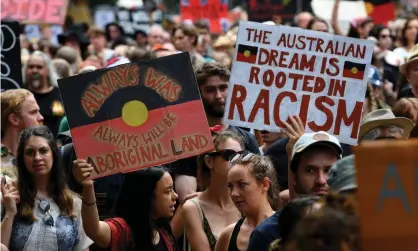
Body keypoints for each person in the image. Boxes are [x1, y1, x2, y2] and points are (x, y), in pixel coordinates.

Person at [170, 63, 259, 203]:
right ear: (198, 93)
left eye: (223, 88)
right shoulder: (187, 139)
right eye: (210, 90)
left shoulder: (247, 138)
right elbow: (187, 195)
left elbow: (261, 184)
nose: (218, 96)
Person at [247, 123, 343, 251]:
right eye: (310, 170)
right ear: (295, 177)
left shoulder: (355, 229)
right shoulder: (268, 234)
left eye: (329, 170)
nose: (321, 180)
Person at [0, 125, 92, 250]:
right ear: (22, 158)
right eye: (30, 152)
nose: (37, 158)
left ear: (53, 155)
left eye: (43, 151)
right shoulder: (9, 197)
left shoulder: (73, 202)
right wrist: (10, 213)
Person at [73, 165, 178, 251]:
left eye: (173, 189)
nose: (175, 196)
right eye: (168, 191)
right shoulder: (123, 231)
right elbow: (94, 229)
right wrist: (88, 187)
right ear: (147, 196)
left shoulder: (163, 231)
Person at [182, 131, 243, 251]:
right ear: (209, 161)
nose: (237, 160)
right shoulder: (193, 207)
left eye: (241, 154)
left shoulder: (246, 200)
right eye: (229, 155)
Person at [214, 153, 277, 251]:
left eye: (242, 185)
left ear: (265, 185)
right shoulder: (228, 235)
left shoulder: (284, 228)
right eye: (230, 186)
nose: (234, 193)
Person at [23, 51, 64, 136]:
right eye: (31, 67)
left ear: (48, 70)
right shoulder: (21, 96)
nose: (34, 70)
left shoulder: (61, 94)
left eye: (39, 67)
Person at [1, 89, 44, 169]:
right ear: (14, 119)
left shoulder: (43, 157)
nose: (41, 117)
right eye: (33, 112)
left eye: (38, 111)